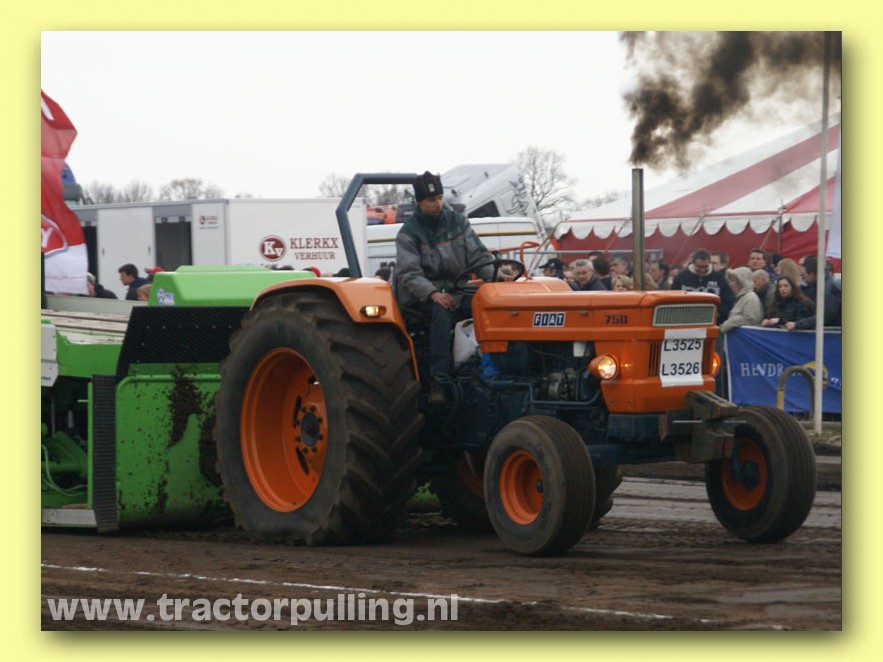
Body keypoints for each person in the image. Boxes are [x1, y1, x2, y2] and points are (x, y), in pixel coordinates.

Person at [396, 171, 495, 405]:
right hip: (420, 298)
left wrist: (497, 279)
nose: (438, 203)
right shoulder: (409, 233)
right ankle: (439, 380)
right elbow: (409, 273)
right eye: (431, 200)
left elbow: (478, 256)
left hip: (456, 290)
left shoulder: (458, 222)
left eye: (440, 197)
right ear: (420, 202)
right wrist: (433, 294)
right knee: (441, 311)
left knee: (487, 303)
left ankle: (489, 365)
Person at [671, 249, 735, 322]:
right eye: (699, 267)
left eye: (705, 267)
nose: (702, 270)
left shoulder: (719, 279)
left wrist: (719, 313)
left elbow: (729, 299)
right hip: (685, 320)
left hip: (712, 321)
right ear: (693, 263)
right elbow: (673, 299)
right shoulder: (681, 278)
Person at [788, 255, 841, 330]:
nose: (804, 277)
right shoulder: (816, 287)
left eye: (805, 274)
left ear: (812, 274)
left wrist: (798, 324)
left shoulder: (830, 288)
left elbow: (825, 316)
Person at [719, 267, 764, 333]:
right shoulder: (741, 297)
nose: (730, 284)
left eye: (733, 281)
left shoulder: (750, 298)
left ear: (741, 282)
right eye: (729, 281)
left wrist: (728, 324)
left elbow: (751, 318)